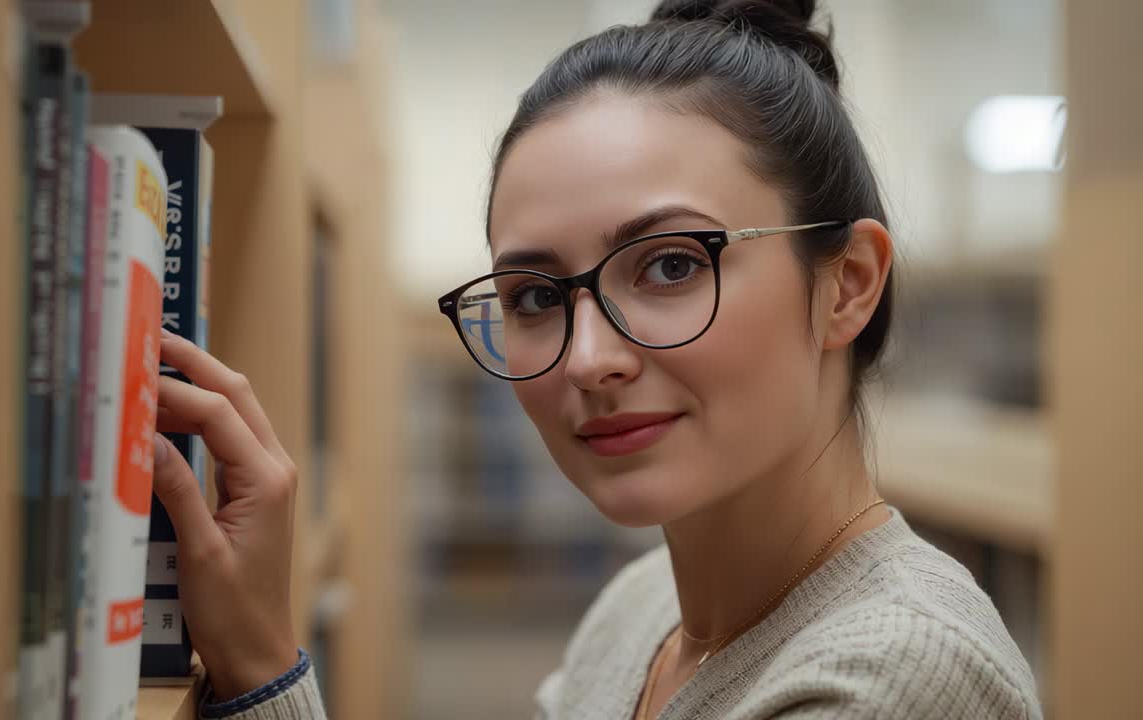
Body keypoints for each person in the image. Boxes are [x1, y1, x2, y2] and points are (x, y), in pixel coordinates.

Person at [148, 1, 1043, 718]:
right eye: (537, 298)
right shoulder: (645, 607)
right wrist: (255, 660)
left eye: (671, 266)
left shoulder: (899, 678)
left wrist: (264, 670)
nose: (587, 360)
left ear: (848, 284)